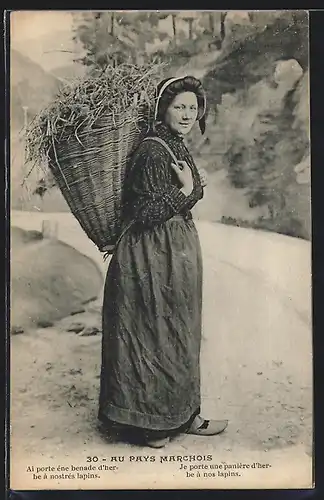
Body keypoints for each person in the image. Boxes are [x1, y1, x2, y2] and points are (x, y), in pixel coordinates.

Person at [98, 75, 228, 448]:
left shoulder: (175, 144)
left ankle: (182, 414)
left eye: (192, 107)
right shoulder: (152, 151)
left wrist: (189, 190)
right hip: (150, 254)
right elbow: (147, 211)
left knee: (180, 331)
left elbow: (196, 188)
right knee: (153, 332)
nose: (187, 114)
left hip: (173, 250)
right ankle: (151, 424)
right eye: (179, 106)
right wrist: (186, 191)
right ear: (163, 109)